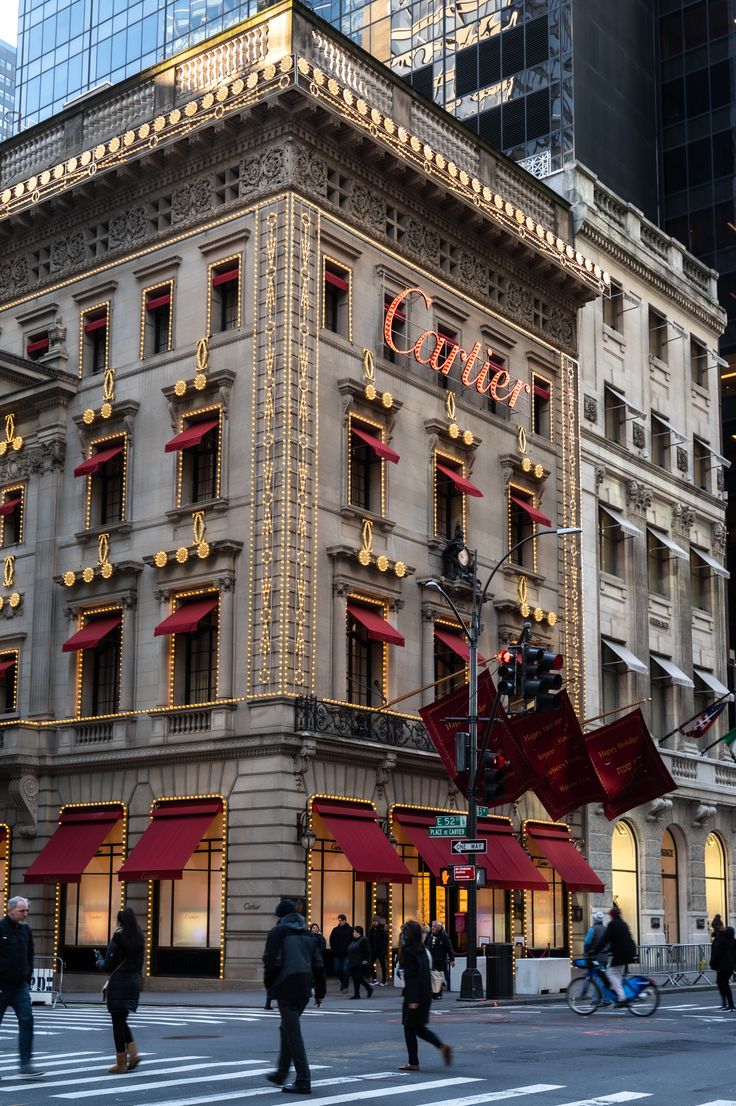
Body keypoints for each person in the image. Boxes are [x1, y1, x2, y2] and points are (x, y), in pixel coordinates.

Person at [263, 898, 323, 1095]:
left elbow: (270, 962)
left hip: (286, 987)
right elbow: (318, 965)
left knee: (293, 1034)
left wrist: (269, 986)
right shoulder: (308, 934)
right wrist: (320, 992)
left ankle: (303, 1080)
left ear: (281, 916)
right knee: (287, 1029)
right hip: (305, 988)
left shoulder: (277, 932)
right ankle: (281, 1074)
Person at [95, 906, 144, 1074]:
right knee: (122, 1019)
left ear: (120, 920)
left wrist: (99, 961)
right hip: (133, 982)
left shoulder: (119, 935)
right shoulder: (139, 936)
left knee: (117, 1023)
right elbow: (140, 965)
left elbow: (108, 965)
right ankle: (134, 1054)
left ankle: (121, 1063)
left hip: (119, 983)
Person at [399, 919, 452, 1072]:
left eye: (405, 931)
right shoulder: (424, 950)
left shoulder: (408, 951)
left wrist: (412, 999)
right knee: (419, 1028)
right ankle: (441, 1046)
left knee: (409, 1028)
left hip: (414, 996)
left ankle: (413, 1062)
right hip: (426, 994)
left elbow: (411, 977)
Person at [0, 896, 43, 1078]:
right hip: (1, 986)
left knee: (27, 1021)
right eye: (22, 910)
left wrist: (27, 976)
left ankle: (25, 1064)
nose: (26, 914)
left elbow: (30, 954)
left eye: (26, 910)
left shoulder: (26, 930)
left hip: (20, 986)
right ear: (10, 911)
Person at [591, 905, 637, 1009]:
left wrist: (594, 951)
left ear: (612, 915)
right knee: (618, 975)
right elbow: (619, 939)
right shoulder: (623, 923)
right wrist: (609, 949)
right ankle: (623, 996)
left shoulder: (613, 924)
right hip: (628, 952)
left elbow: (605, 940)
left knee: (610, 973)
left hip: (620, 954)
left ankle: (622, 998)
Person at [425, 920, 455, 998]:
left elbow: (449, 948)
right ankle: (434, 992)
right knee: (432, 977)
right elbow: (425, 944)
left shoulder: (443, 935)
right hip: (431, 959)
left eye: (434, 927)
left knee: (438, 977)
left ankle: (438, 993)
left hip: (440, 960)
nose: (433, 928)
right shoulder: (429, 934)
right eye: (432, 926)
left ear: (439, 927)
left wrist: (452, 959)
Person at [710, 923, 736, 1011]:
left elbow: (716, 952)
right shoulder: (732, 940)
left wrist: (712, 962)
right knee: (722, 983)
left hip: (722, 965)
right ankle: (727, 1003)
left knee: (723, 984)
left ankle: (729, 1003)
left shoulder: (720, 940)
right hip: (730, 966)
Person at [347, 926, 373, 999]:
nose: (353, 933)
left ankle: (368, 988)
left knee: (357, 977)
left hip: (360, 962)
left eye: (354, 932)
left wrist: (365, 960)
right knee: (355, 978)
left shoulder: (364, 940)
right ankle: (357, 994)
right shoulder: (353, 940)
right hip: (353, 962)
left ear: (359, 933)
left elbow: (367, 952)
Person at [328, 914, 352, 993]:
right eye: (339, 920)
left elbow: (352, 941)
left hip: (346, 954)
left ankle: (345, 985)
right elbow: (331, 940)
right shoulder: (335, 930)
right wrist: (333, 950)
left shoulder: (350, 930)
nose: (340, 922)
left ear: (345, 920)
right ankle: (343, 982)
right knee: (337, 969)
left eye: (341, 920)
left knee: (345, 970)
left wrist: (349, 950)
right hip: (337, 953)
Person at [309, 924, 327, 1007]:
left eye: (316, 928)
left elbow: (322, 948)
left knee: (319, 980)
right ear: (311, 929)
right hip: (311, 961)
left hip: (318, 961)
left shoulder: (321, 937)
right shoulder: (309, 937)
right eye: (313, 928)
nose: (315, 929)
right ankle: (313, 990)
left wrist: (317, 955)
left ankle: (318, 998)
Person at [368, 916, 388, 985]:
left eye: (376, 921)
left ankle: (384, 980)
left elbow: (385, 941)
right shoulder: (371, 929)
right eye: (373, 921)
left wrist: (384, 950)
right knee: (370, 963)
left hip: (381, 950)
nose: (374, 922)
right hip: (373, 950)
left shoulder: (382, 929)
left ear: (378, 921)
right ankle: (375, 979)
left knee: (383, 965)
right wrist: (370, 949)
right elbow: (370, 940)